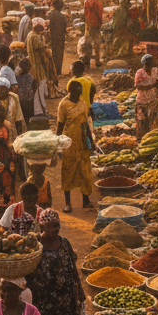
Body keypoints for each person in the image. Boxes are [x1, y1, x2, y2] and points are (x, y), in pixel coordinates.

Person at [28, 209, 83, 315]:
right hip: (41, 299)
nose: (56, 229)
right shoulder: (35, 243)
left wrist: (79, 290)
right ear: (42, 225)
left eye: (57, 225)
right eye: (52, 226)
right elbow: (27, 270)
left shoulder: (64, 243)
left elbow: (72, 267)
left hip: (62, 298)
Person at [56, 79, 96, 214]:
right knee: (68, 171)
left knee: (85, 172)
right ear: (70, 91)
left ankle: (86, 200)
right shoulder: (63, 105)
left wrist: (91, 141)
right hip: (69, 142)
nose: (79, 93)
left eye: (80, 91)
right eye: (76, 91)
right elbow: (60, 126)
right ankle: (68, 203)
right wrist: (58, 145)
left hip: (82, 141)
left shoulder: (82, 102)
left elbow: (85, 123)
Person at [26, 20, 55, 115]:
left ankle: (39, 111)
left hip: (33, 65)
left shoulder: (30, 34)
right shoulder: (36, 37)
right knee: (40, 91)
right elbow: (43, 50)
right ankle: (43, 112)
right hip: (37, 67)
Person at [134, 54, 158, 141]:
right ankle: (142, 138)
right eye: (146, 64)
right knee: (142, 120)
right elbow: (138, 86)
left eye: (150, 63)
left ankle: (152, 138)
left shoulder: (155, 70)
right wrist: (151, 86)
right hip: (141, 100)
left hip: (153, 98)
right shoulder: (139, 72)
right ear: (144, 64)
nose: (148, 66)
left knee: (154, 119)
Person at [83, 0, 103, 67]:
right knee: (97, 44)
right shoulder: (98, 3)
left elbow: (85, 13)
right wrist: (100, 22)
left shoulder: (86, 2)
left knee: (88, 42)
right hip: (96, 25)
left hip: (88, 24)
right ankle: (97, 61)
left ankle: (87, 60)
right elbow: (100, 14)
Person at [48, 0, 68, 77]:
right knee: (59, 55)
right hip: (60, 38)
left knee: (53, 54)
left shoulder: (50, 15)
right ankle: (58, 71)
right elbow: (64, 28)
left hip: (52, 37)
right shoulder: (62, 16)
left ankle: (53, 71)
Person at [16, 57, 35, 123]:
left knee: (23, 118)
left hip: (21, 100)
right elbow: (33, 88)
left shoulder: (17, 77)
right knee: (29, 118)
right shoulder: (30, 77)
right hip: (29, 100)